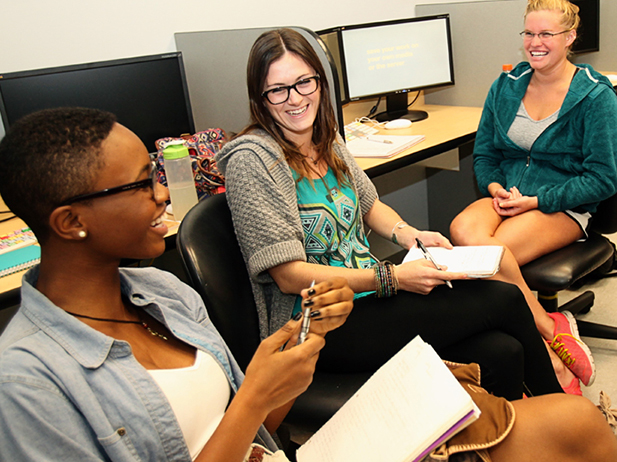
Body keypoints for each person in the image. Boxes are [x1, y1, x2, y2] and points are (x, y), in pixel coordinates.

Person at [1, 108, 616, 462]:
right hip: (364, 299)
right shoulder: (27, 384)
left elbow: (264, 432)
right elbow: (249, 409)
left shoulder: (167, 298)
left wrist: (305, 345)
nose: (165, 191)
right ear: (70, 222)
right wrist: (254, 399)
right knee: (504, 310)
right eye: (142, 183)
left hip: (321, 374)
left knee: (566, 416)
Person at [216, 27, 583, 398]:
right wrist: (392, 277)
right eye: (278, 89)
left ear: (320, 84)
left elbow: (370, 204)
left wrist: (409, 234)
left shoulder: (325, 140)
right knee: (504, 300)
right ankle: (567, 423)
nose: (295, 98)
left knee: (503, 352)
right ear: (260, 99)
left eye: (304, 83)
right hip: (319, 325)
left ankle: (512, 445)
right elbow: (289, 276)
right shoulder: (253, 162)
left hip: (370, 296)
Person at [449, 0, 617, 393]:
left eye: (546, 34)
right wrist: (494, 188)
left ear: (570, 37)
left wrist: (537, 201)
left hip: (560, 204)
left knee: (486, 258)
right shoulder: (505, 87)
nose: (535, 43)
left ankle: (537, 351)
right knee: (462, 230)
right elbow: (487, 154)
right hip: (506, 195)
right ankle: (547, 324)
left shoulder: (595, 96)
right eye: (529, 33)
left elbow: (603, 178)